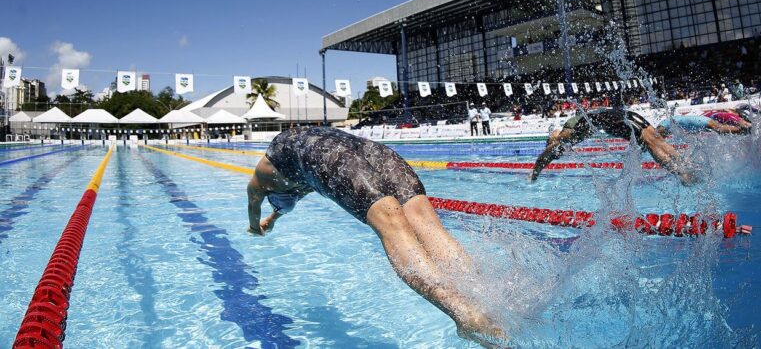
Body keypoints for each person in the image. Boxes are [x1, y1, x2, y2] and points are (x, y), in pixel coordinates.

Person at [247, 127, 506, 347]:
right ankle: (486, 300)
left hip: (333, 158)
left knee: (393, 227)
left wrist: (255, 226)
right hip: (372, 151)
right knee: (427, 224)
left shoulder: (260, 180)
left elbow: (253, 205)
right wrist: (273, 219)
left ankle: (465, 314)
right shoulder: (294, 161)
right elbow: (312, 178)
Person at [530, 108, 694, 183]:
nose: (561, 152)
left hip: (618, 118)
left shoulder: (567, 133)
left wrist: (534, 175)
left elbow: (545, 156)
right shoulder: (577, 126)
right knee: (656, 141)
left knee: (651, 143)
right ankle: (688, 167)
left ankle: (683, 174)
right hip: (624, 115)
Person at [656, 114, 748, 136]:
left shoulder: (662, 126)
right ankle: (743, 130)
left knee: (719, 129)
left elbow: (657, 136)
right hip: (698, 120)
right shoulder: (666, 122)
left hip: (698, 121)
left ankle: (745, 130)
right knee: (719, 129)